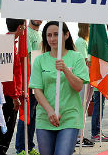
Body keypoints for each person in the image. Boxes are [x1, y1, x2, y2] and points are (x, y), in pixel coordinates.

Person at [29, 21, 89, 155]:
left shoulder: (76, 57)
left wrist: (66, 70)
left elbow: (79, 86)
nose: (52, 39)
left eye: (56, 34)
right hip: (45, 118)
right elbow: (37, 90)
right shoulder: (39, 60)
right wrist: (50, 111)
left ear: (66, 35)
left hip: (69, 118)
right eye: (49, 35)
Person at [0, 18, 25, 155]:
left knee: (5, 130)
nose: (24, 29)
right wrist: (15, 96)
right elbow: (9, 75)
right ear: (20, 27)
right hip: (8, 95)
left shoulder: (7, 42)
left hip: (10, 93)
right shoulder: (8, 44)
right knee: (6, 131)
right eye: (24, 26)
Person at [16, 20, 43, 155]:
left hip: (37, 81)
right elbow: (25, 59)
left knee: (32, 115)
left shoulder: (41, 35)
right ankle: (21, 147)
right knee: (25, 114)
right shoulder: (27, 33)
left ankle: (30, 145)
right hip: (29, 80)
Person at [74, 23, 94, 147]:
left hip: (89, 78)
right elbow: (84, 61)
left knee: (85, 107)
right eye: (88, 26)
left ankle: (80, 134)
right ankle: (77, 136)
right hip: (82, 79)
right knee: (81, 107)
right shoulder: (81, 42)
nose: (90, 29)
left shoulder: (86, 42)